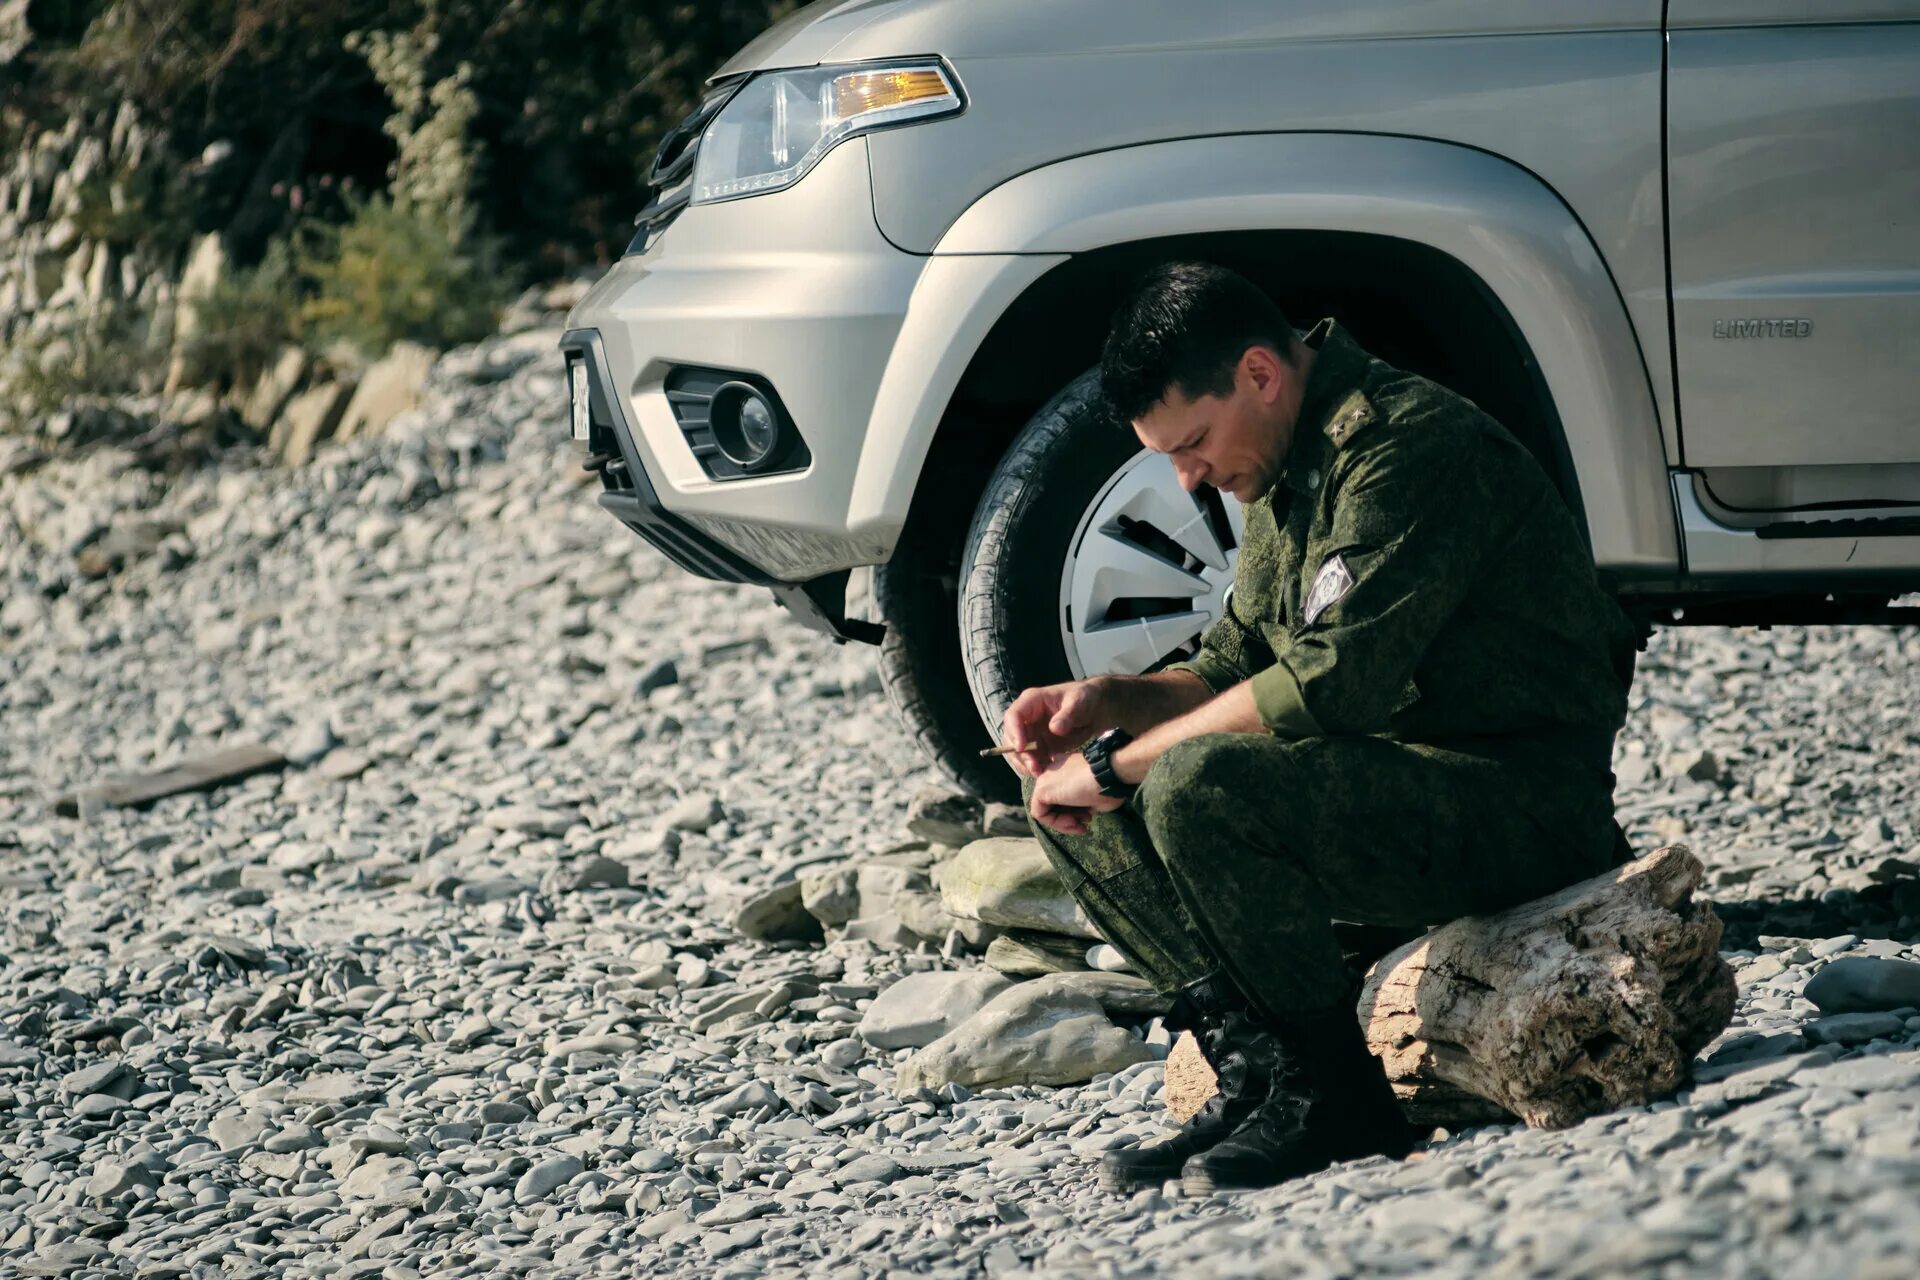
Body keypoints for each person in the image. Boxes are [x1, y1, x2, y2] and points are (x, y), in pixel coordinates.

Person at [1002, 261, 1642, 1195]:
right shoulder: (1283, 462)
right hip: (1405, 789)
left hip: (1524, 804)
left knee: (1190, 784)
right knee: (1068, 796)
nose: (1190, 477)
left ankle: (1337, 1098)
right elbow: (1236, 662)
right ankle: (1262, 1069)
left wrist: (1126, 762)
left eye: (1192, 444)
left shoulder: (1407, 446)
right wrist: (1101, 705)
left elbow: (1332, 683)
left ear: (1259, 374)